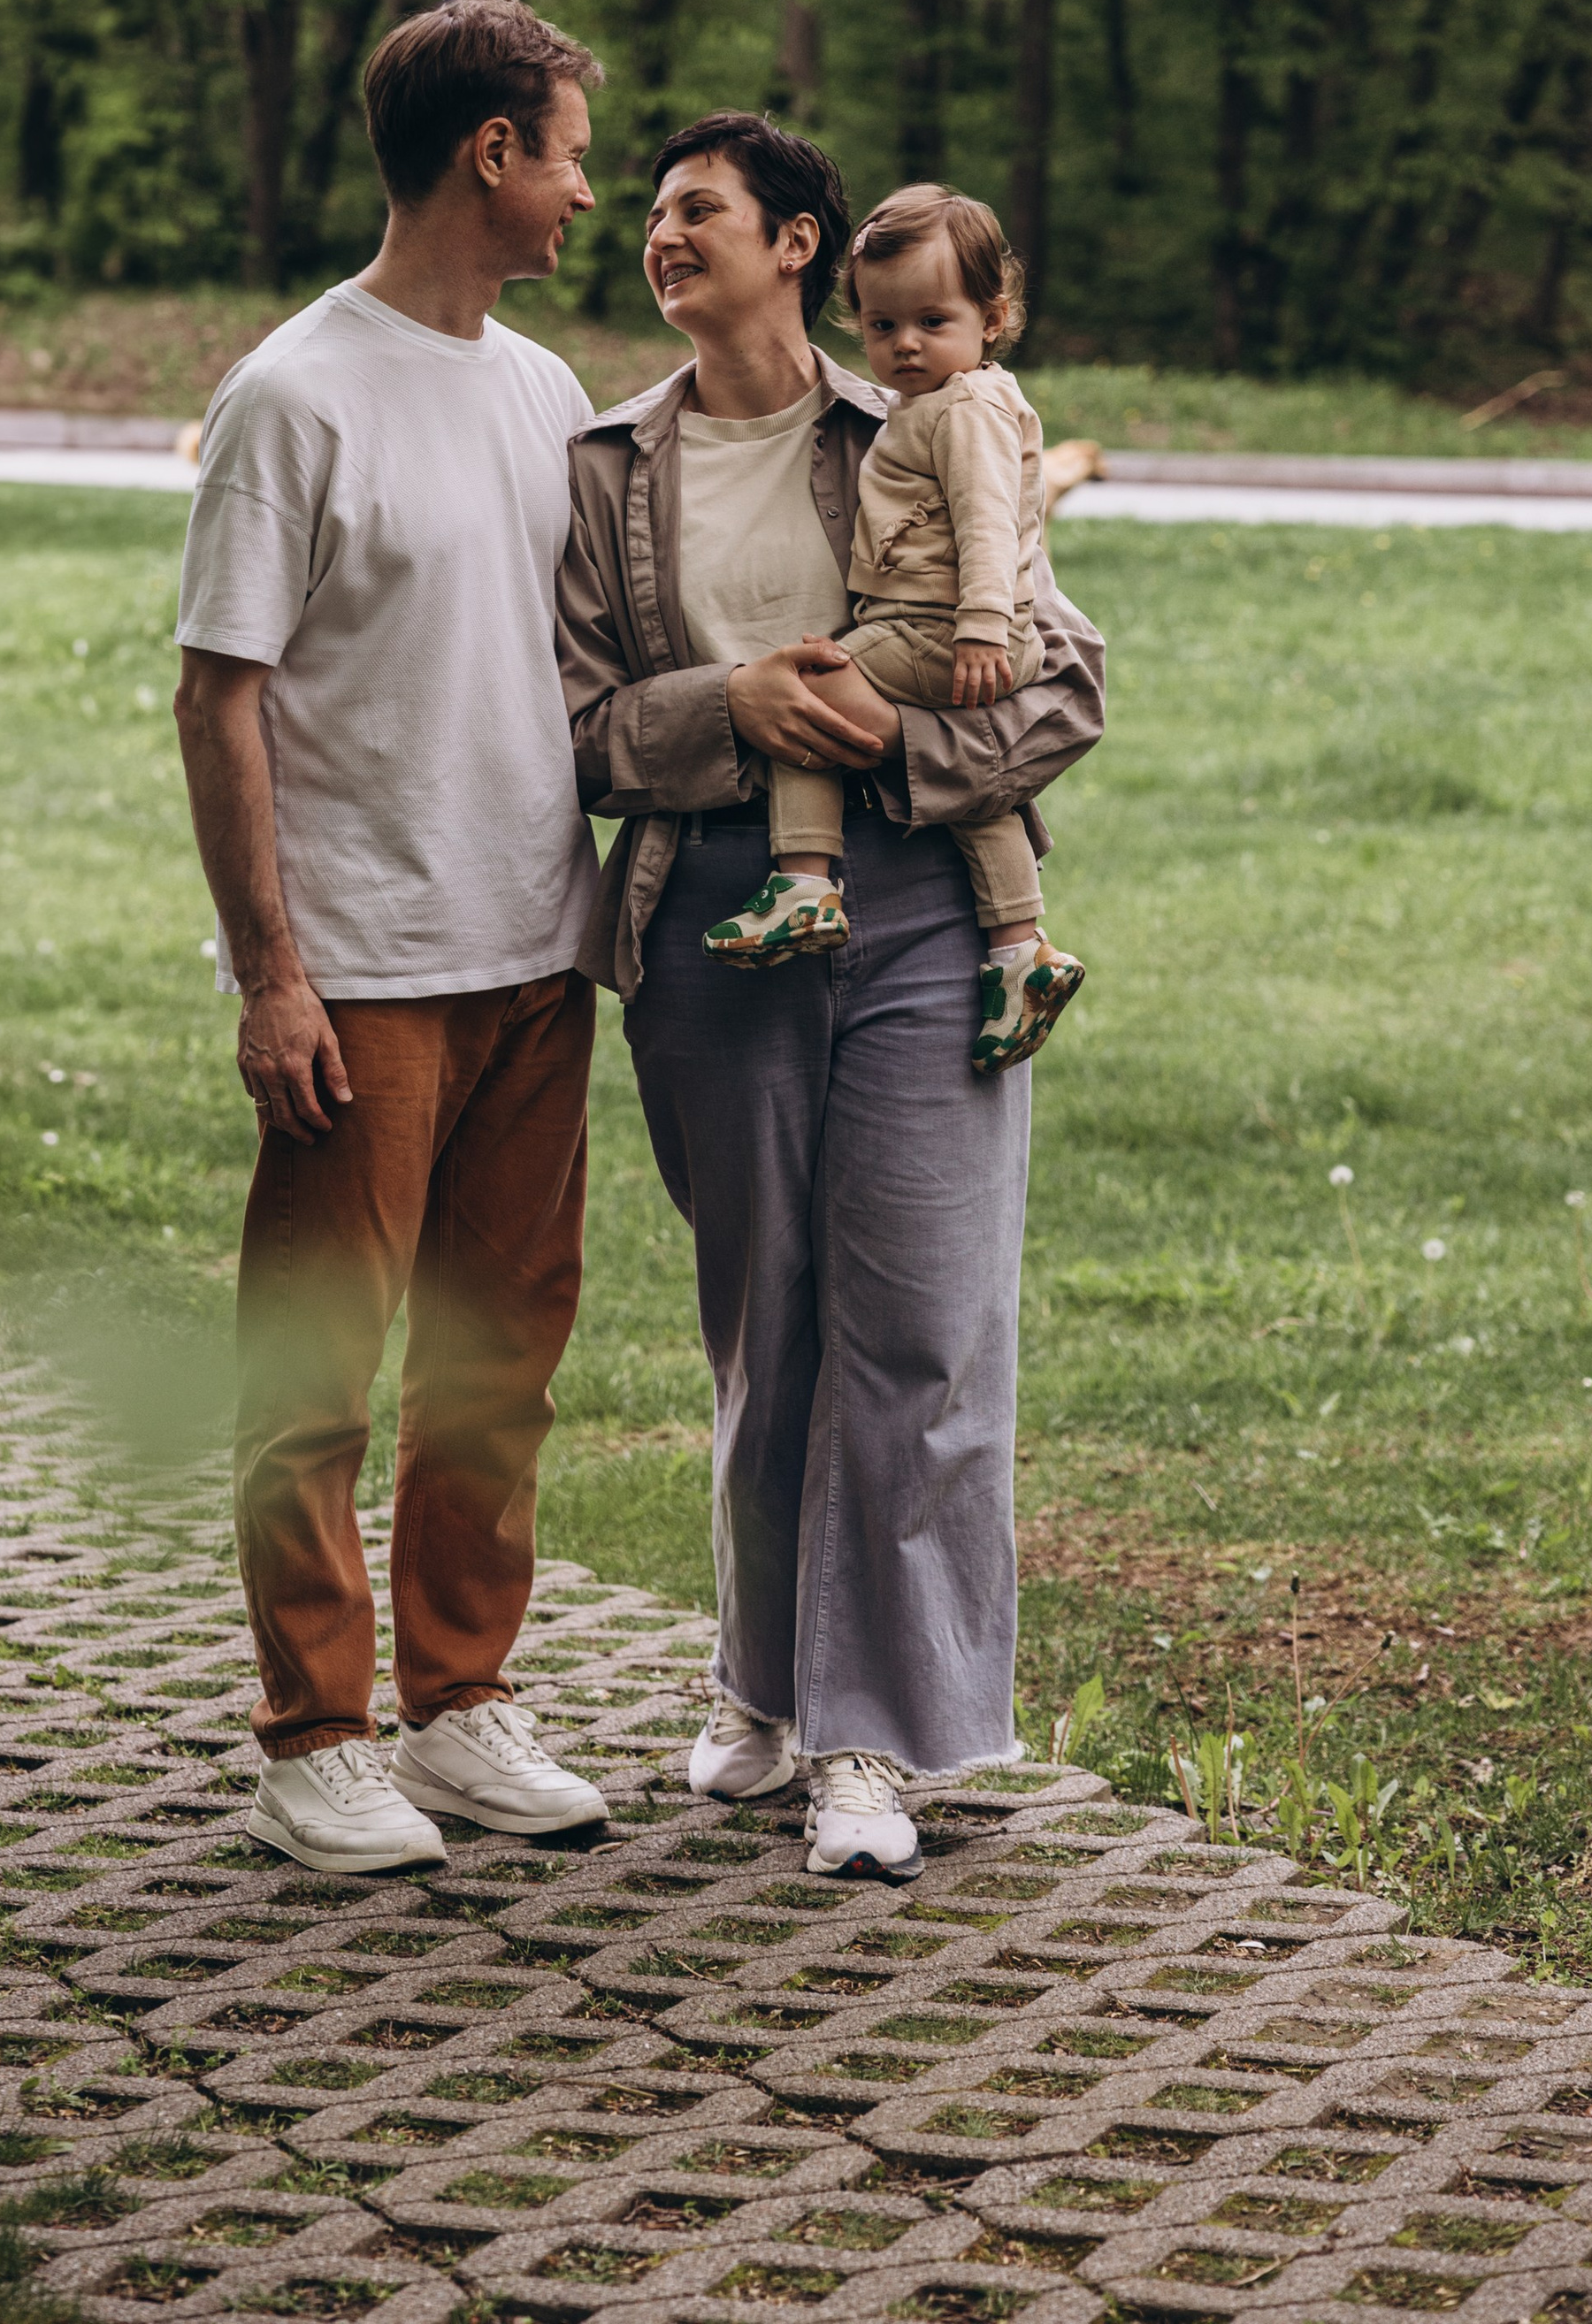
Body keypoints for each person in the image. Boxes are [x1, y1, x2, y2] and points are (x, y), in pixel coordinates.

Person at [556, 111, 1105, 1884]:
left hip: (926, 904)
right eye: (649, 211)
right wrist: (730, 705)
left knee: (919, 1330)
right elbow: (578, 725)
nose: (659, 232)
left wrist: (892, 742)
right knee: (766, 1326)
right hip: (713, 912)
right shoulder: (605, 466)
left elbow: (1063, 686)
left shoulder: (925, 417)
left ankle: (869, 1739)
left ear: (796, 241)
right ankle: (761, 1681)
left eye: (695, 208)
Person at [173, 0, 611, 1877]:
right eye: (571, 154)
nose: (587, 192)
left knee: (497, 1364)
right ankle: (311, 1735)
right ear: (488, 154)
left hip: (538, 954)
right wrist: (272, 974)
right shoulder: (294, 394)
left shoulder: (544, 391)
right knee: (317, 1377)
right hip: (361, 977)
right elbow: (217, 699)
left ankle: (456, 1703)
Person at [700, 180, 1088, 1076]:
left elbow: (990, 521)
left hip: (942, 628)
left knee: (803, 695)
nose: (905, 343)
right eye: (882, 325)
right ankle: (1019, 949)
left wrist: (981, 626)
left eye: (932, 321)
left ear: (992, 319)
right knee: (971, 786)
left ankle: (804, 883)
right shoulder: (948, 401)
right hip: (952, 628)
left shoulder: (965, 410)